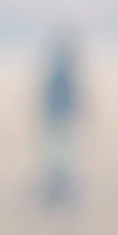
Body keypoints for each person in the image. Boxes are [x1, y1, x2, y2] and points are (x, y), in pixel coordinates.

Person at [37, 29, 84, 214]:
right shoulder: (65, 73)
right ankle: (59, 198)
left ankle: (58, 198)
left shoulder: (57, 72)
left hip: (58, 123)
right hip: (60, 123)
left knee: (59, 163)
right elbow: (74, 99)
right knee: (62, 163)